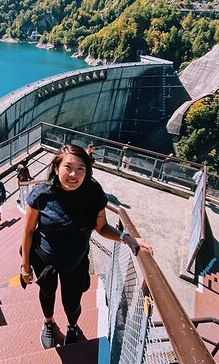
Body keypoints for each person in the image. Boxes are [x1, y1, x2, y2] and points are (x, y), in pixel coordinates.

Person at [20, 144, 152, 349]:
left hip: (75, 260)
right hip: (44, 257)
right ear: (56, 168)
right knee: (47, 292)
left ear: (87, 171)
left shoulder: (93, 193)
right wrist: (25, 265)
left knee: (72, 303)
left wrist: (128, 238)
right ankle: (49, 322)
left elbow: (102, 227)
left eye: (81, 168)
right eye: (68, 167)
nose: (74, 174)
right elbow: (28, 231)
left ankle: (72, 326)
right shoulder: (41, 194)